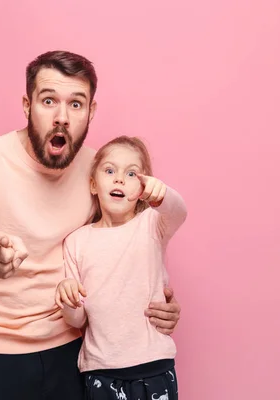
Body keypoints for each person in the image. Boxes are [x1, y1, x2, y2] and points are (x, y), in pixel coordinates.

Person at [0, 50, 182, 400]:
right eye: (49, 100)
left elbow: (124, 244)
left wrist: (158, 299)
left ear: (91, 111)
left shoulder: (102, 171)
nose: (61, 117)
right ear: (27, 105)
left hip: (72, 352)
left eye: (76, 104)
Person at [55, 136, 187, 400]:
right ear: (93, 184)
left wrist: (161, 195)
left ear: (143, 187)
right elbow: (77, 320)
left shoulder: (152, 224)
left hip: (154, 365)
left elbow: (179, 212)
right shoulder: (76, 242)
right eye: (109, 170)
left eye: (131, 173)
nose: (119, 179)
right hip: (101, 370)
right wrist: (68, 298)